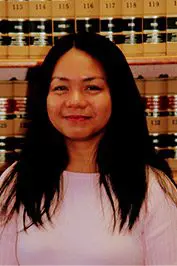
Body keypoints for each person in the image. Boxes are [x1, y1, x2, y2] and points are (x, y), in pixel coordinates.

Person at [0, 32, 177, 265]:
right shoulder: (14, 182)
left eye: (92, 87)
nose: (75, 101)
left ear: (117, 96)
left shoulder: (153, 189)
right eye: (61, 88)